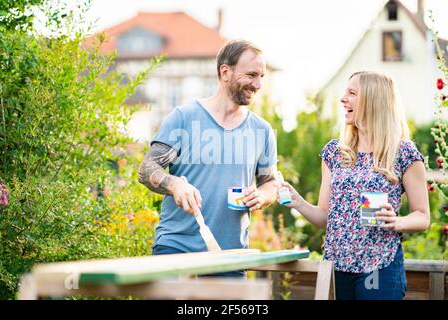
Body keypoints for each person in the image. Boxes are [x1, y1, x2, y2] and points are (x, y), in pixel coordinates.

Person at [280, 71, 430, 299]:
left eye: (352, 93)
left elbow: (422, 216)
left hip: (379, 265)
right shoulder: (335, 152)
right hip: (338, 266)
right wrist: (299, 203)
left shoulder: (403, 153)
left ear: (373, 100)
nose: (343, 99)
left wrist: (396, 221)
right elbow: (324, 217)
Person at [138, 39, 278, 277]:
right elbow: (147, 168)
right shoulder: (183, 117)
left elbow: (271, 183)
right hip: (176, 246)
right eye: (252, 75)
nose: (258, 84)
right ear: (225, 72)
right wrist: (175, 184)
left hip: (229, 255)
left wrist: (262, 195)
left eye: (261, 76)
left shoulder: (262, 131)